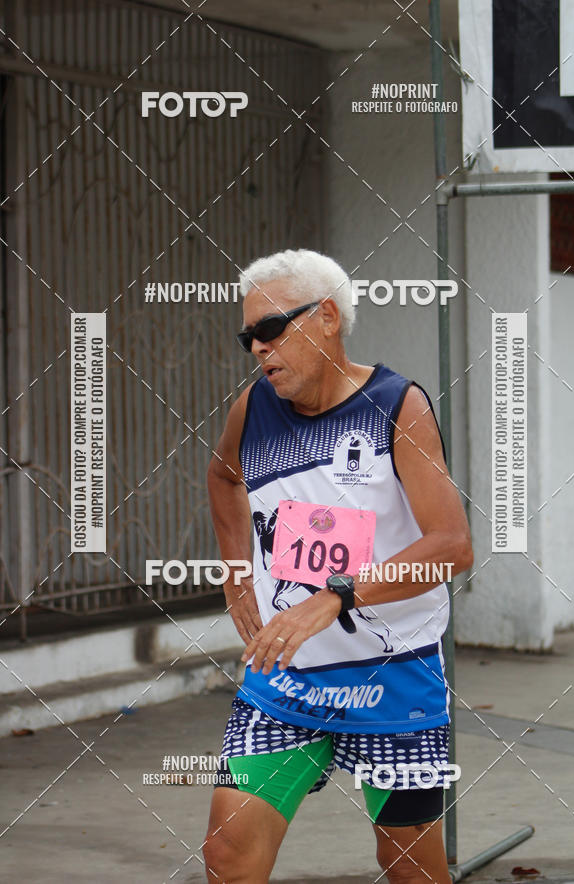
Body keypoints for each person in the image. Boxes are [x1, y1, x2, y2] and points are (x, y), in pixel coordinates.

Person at [204, 249, 473, 883]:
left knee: (409, 867)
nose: (257, 349)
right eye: (248, 337)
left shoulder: (397, 406)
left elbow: (452, 546)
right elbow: (222, 477)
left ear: (327, 317)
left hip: (394, 679)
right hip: (286, 680)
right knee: (227, 853)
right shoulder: (252, 410)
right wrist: (236, 572)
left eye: (270, 329)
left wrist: (334, 596)